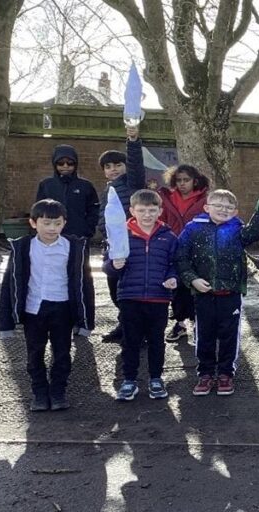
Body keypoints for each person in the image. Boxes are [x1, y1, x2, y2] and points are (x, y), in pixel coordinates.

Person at [176, 187, 259, 396]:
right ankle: (205, 373)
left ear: (235, 211)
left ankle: (225, 373)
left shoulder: (236, 229)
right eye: (219, 206)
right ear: (207, 207)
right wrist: (192, 280)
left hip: (230, 294)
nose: (224, 210)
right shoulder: (193, 228)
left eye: (229, 207)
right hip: (203, 293)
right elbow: (181, 258)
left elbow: (257, 231)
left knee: (228, 335)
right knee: (204, 334)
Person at [0, 199, 95, 412]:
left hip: (62, 308)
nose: (52, 228)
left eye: (57, 223)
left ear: (64, 223)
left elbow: (84, 283)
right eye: (46, 223)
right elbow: (9, 283)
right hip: (34, 309)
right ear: (34, 223)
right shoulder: (23, 247)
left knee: (62, 353)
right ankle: (40, 394)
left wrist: (86, 319)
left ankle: (58, 392)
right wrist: (5, 322)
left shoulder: (74, 247)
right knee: (35, 353)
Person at [102, 190, 177, 401]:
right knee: (130, 341)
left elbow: (174, 265)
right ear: (132, 210)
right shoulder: (121, 235)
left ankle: (155, 378)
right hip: (130, 298)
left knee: (156, 341)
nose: (147, 215)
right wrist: (114, 266)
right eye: (141, 210)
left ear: (160, 211)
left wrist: (173, 279)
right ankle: (129, 380)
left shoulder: (169, 237)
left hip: (158, 298)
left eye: (152, 210)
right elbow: (108, 266)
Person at [98, 126, 147, 343]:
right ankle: (124, 325)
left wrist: (133, 140)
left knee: (132, 291)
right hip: (111, 247)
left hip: (132, 245)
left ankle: (139, 333)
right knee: (115, 289)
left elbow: (136, 165)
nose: (113, 169)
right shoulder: (107, 190)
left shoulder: (132, 184)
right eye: (108, 166)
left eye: (118, 164)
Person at [158, 165, 211, 342]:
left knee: (197, 287)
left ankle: (198, 323)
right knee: (177, 288)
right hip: (173, 248)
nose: (182, 184)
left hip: (198, 250)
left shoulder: (205, 200)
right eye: (179, 180)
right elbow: (161, 221)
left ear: (195, 180)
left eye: (186, 180)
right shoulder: (167, 198)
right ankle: (180, 323)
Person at [35, 144, 99, 240]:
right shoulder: (46, 185)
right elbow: (38, 209)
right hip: (51, 234)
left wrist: (87, 229)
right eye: (60, 163)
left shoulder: (85, 185)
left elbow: (94, 209)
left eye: (70, 163)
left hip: (79, 236)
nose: (65, 166)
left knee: (78, 255)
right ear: (54, 164)